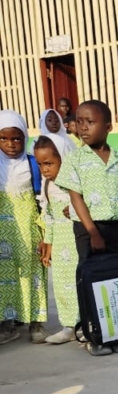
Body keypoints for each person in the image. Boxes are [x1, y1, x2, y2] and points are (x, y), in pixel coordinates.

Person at [57, 100, 118, 356]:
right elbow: (75, 197)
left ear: (108, 127)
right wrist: (92, 232)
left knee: (115, 280)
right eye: (80, 122)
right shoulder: (75, 159)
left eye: (90, 122)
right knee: (91, 281)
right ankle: (96, 335)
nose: (83, 127)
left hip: (115, 228)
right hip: (87, 230)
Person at [0, 110, 47, 345]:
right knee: (6, 277)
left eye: (17, 138)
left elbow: (43, 198)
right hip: (3, 232)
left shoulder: (32, 164)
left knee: (33, 274)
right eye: (4, 139)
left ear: (25, 137)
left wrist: (45, 233)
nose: (11, 144)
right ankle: (7, 325)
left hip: (29, 228)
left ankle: (36, 324)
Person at [32, 135, 78, 344]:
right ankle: (68, 326)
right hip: (60, 246)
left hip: (77, 242)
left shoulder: (74, 183)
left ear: (63, 157)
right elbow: (49, 217)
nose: (44, 169)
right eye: (40, 164)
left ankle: (84, 324)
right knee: (61, 286)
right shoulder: (48, 186)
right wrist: (49, 244)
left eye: (49, 163)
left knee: (78, 283)